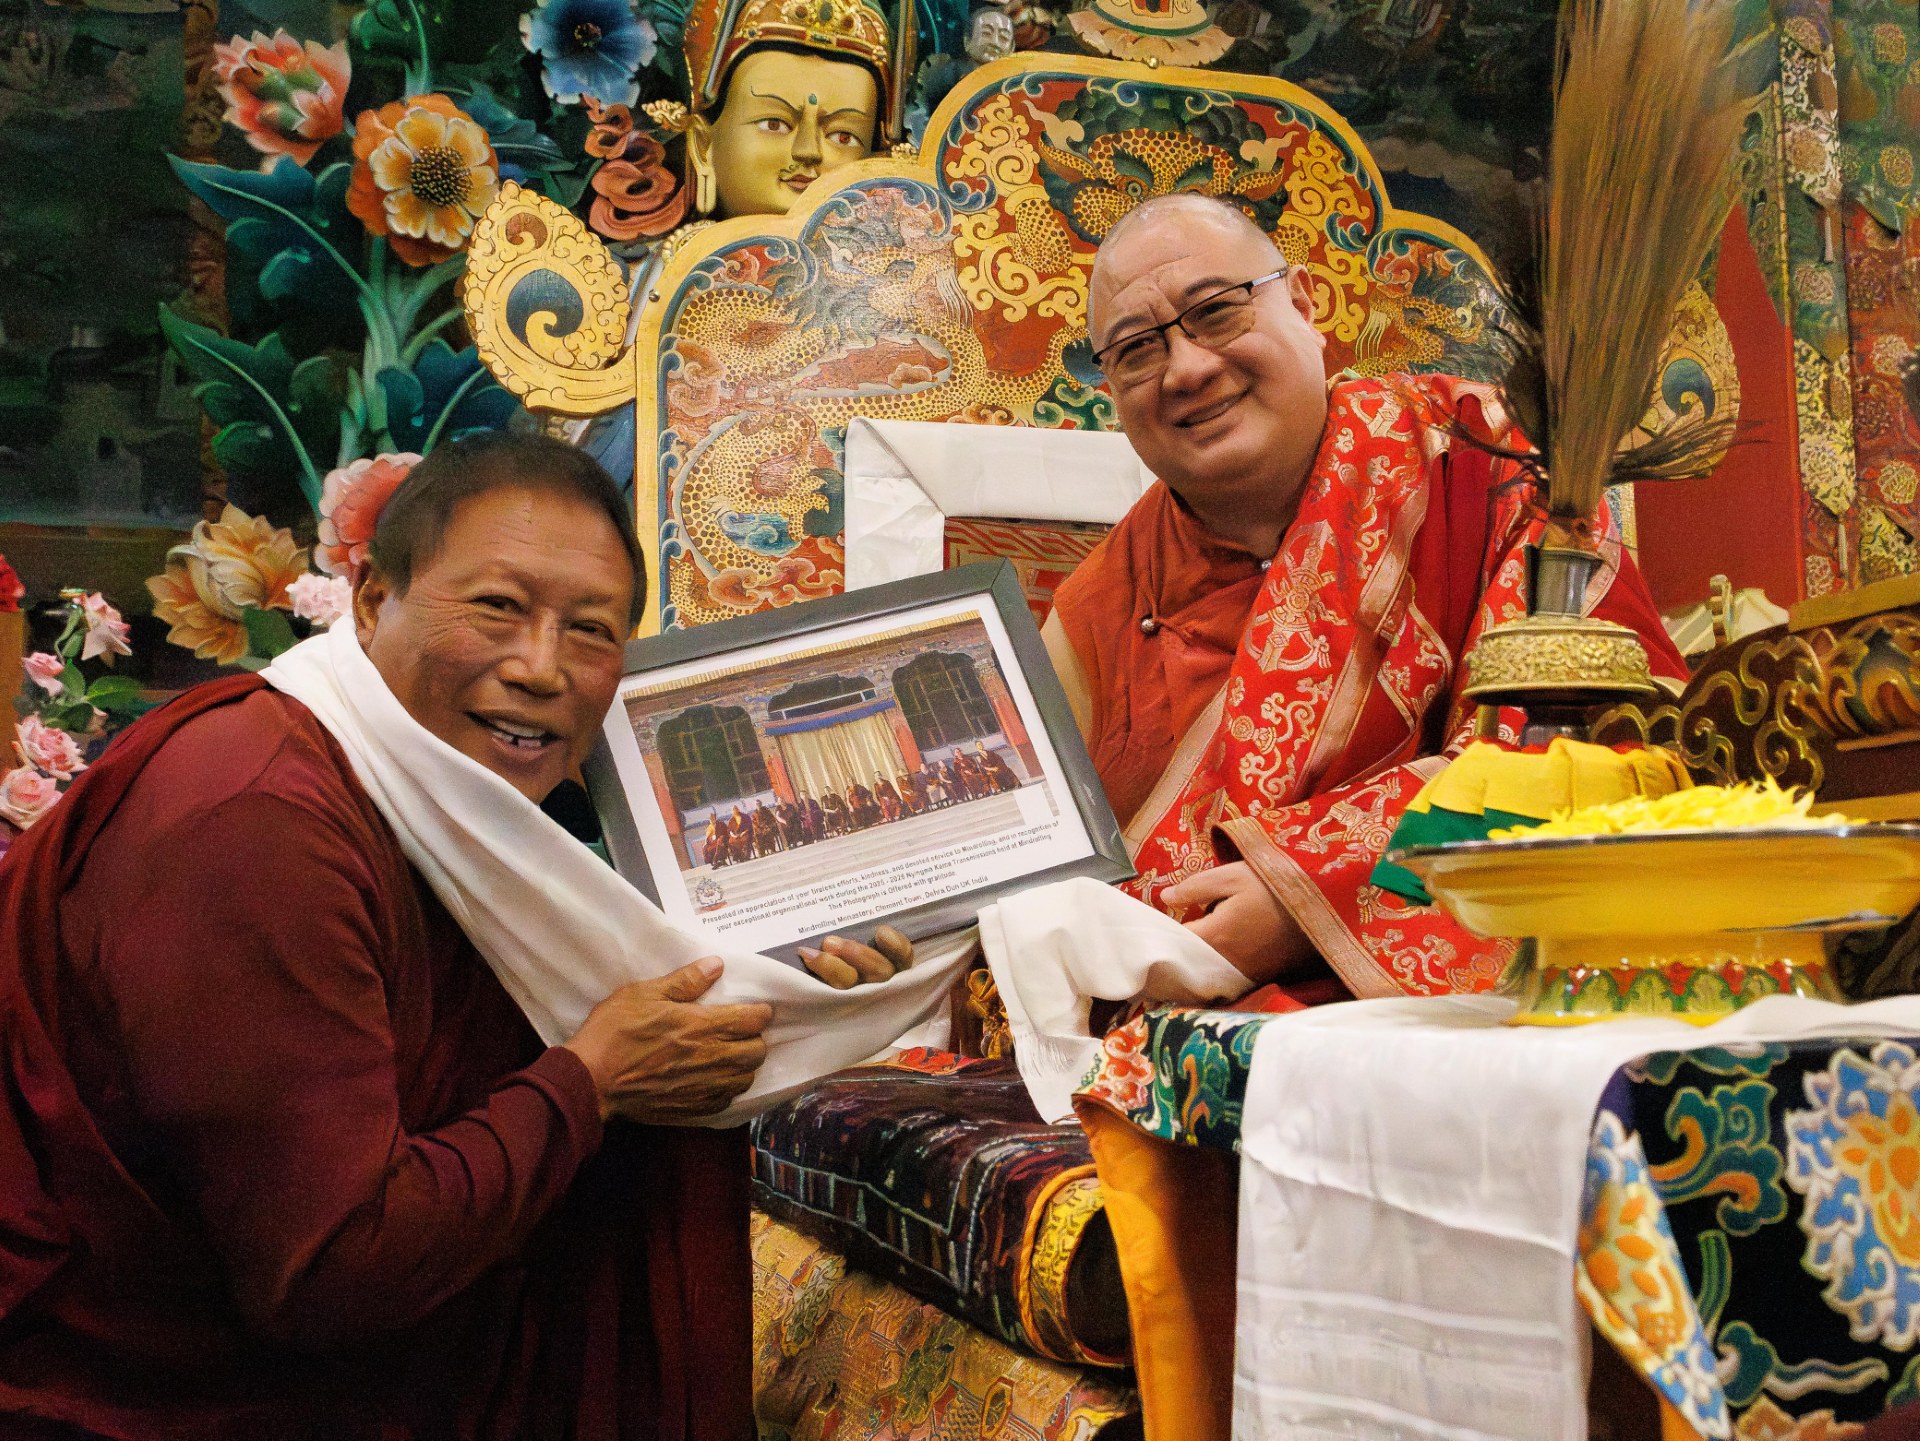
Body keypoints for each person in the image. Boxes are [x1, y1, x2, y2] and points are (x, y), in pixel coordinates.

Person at [0, 433, 909, 1439]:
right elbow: (327, 1270)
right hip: (140, 1403)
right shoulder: (256, 818)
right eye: (498, 607)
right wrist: (591, 1081)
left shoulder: (449, 803)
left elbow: (607, 988)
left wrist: (779, 954)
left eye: (591, 630)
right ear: (371, 600)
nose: (540, 668)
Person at [1044, 192, 1689, 1005]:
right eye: (1138, 349)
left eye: (1215, 312)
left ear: (1305, 303)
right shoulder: (1094, 611)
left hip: (1463, 1025)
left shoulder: (1487, 461)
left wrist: (1310, 894)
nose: (1188, 369)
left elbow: (1610, 765)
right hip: (1173, 1028)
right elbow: (1026, 879)